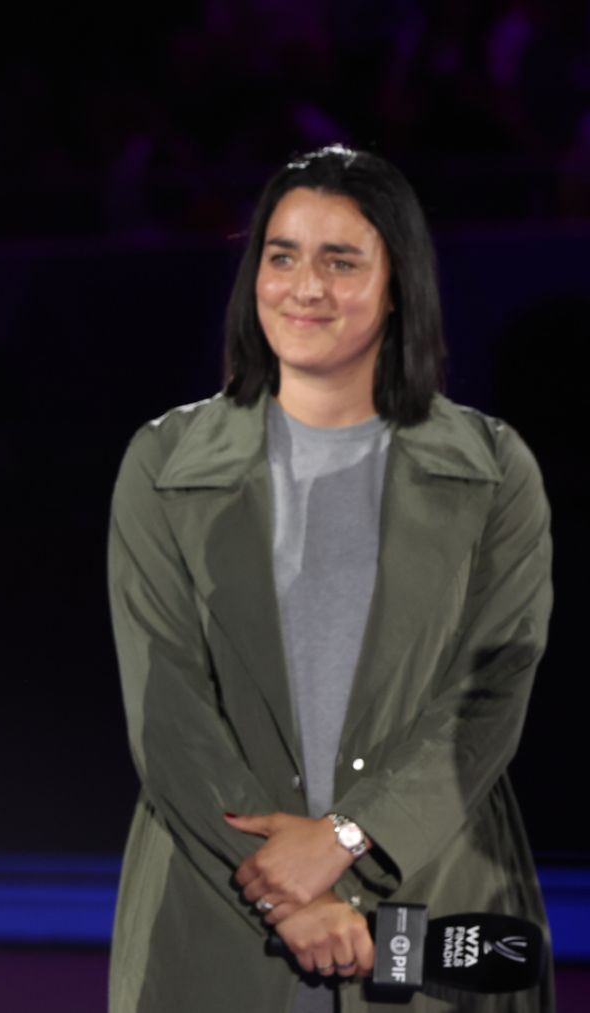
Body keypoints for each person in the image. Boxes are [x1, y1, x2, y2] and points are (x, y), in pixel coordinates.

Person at [107, 144, 554, 1012]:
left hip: (428, 913)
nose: (304, 286)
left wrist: (351, 838)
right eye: (282, 256)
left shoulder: (494, 471)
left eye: (340, 260)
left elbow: (488, 698)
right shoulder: (164, 462)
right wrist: (288, 887)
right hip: (222, 916)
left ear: (398, 283)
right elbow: (168, 710)